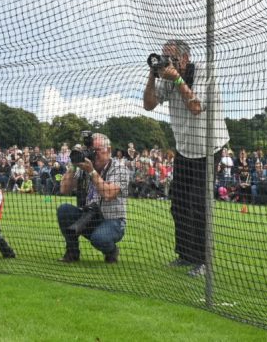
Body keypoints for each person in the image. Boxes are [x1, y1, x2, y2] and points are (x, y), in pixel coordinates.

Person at [143, 39, 228, 277]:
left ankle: (203, 260)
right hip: (184, 147)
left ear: (185, 58)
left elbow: (196, 107)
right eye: (164, 57)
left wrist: (177, 79)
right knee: (178, 203)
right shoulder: (167, 78)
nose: (167, 62)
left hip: (208, 146)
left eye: (171, 58)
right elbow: (148, 105)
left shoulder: (204, 72)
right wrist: (153, 75)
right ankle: (185, 254)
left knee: (199, 204)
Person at [56, 133, 129, 264]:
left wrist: (92, 172)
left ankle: (112, 251)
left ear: (109, 150)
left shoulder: (119, 168)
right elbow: (64, 189)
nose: (94, 155)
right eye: (91, 151)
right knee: (64, 210)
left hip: (113, 221)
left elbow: (108, 194)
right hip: (89, 217)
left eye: (97, 151)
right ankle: (72, 252)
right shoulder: (85, 166)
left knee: (99, 239)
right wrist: (73, 164)